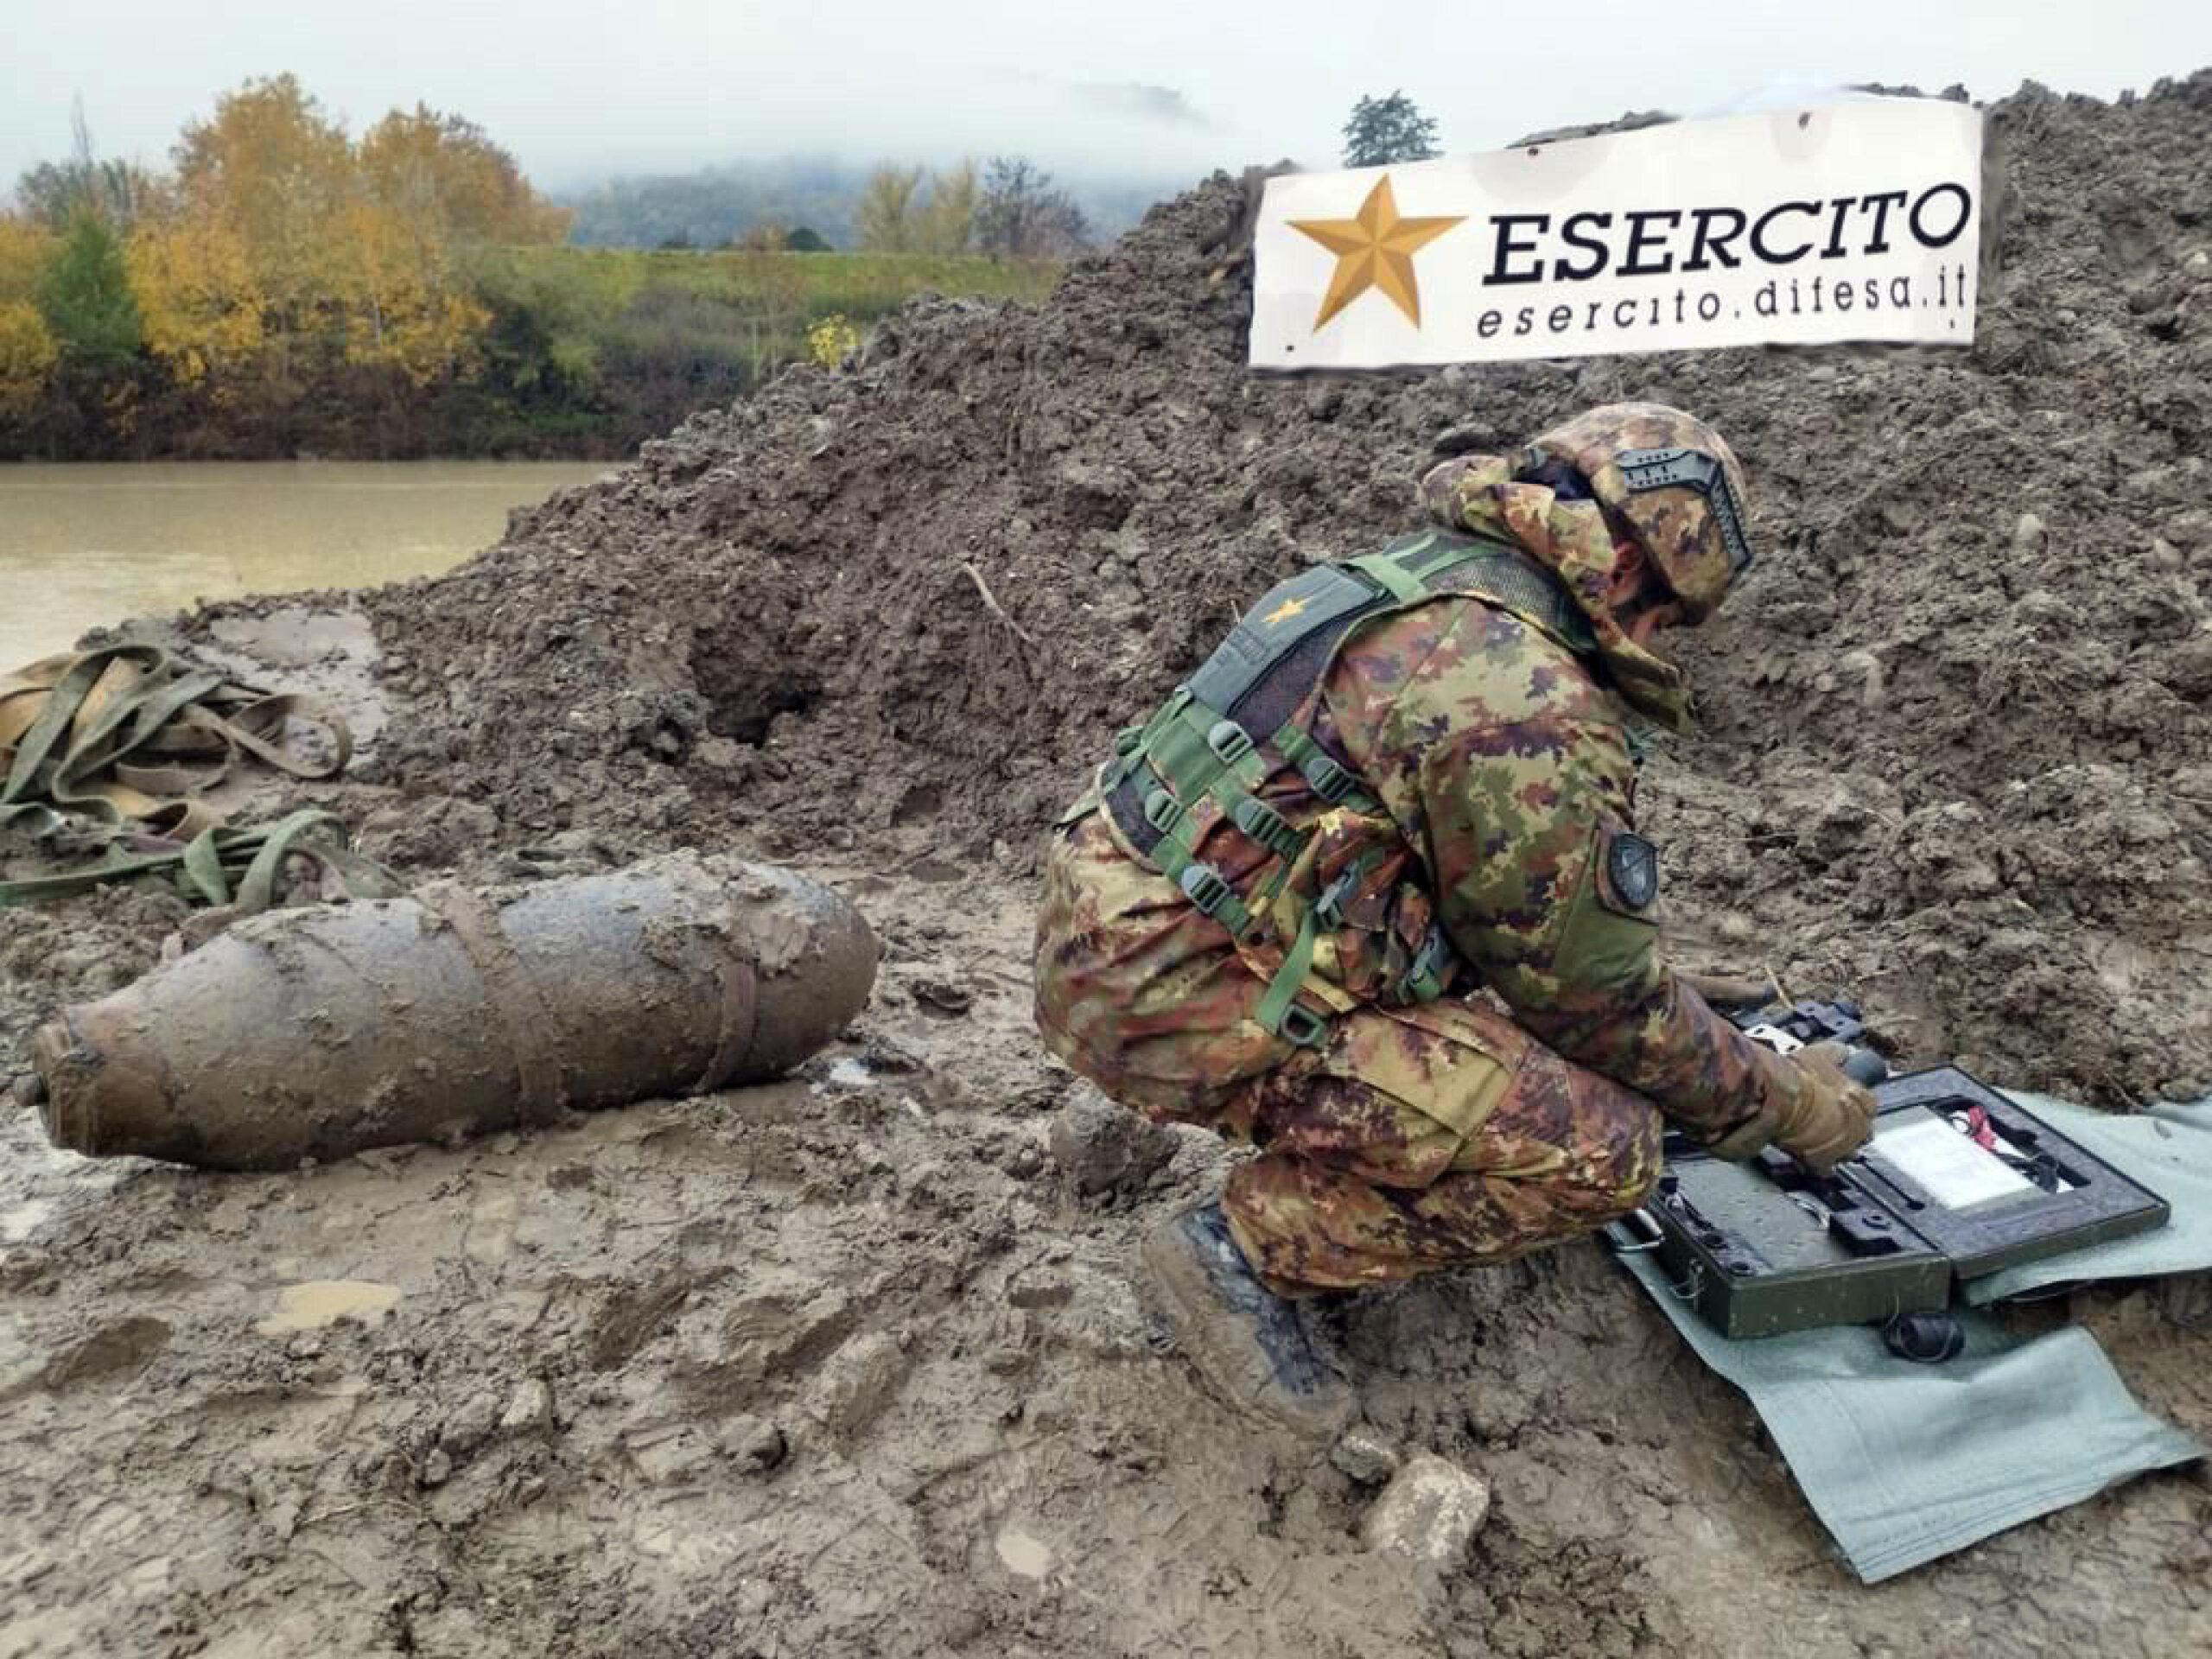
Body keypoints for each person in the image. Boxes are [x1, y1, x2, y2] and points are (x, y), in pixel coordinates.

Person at [1033, 403, 1878, 1434]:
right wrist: (1788, 1104)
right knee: (1601, 1149)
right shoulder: (1519, 691)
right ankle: (1238, 1248)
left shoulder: (1409, 579)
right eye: (1669, 619)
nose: (1660, 644)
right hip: (1168, 997)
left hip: (1113, 929)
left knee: (1539, 1045)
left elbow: (1460, 892)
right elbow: (1592, 1005)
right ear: (1623, 577)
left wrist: (1672, 994)